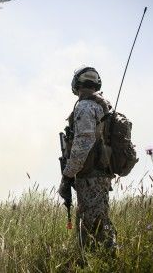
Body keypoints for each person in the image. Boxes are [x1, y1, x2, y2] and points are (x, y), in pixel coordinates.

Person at [58, 66, 117, 254]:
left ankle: (106, 257)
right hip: (100, 174)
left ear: (76, 84)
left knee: (94, 226)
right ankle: (109, 252)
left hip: (90, 176)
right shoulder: (103, 106)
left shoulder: (84, 107)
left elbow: (83, 142)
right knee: (101, 220)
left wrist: (67, 176)